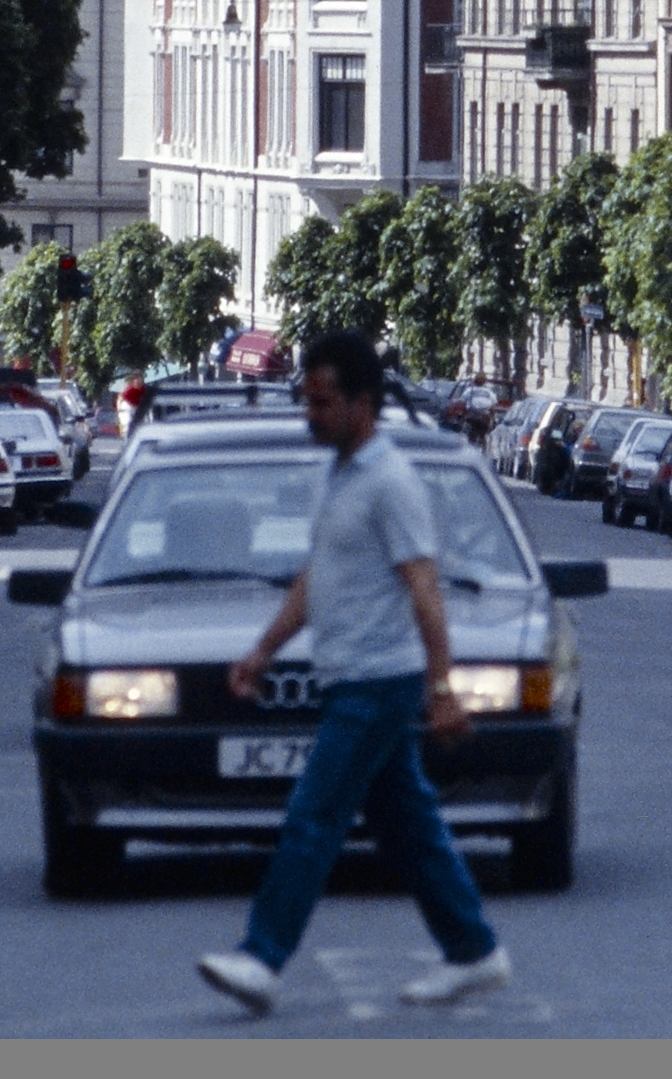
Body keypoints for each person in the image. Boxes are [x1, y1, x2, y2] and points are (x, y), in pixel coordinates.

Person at [196, 329, 511, 1019]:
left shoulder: (391, 481)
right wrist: (264, 650)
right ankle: (472, 949)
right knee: (408, 826)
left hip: (378, 680)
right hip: (349, 674)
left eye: (322, 401)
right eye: (306, 400)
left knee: (314, 815)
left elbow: (425, 588)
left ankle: (262, 957)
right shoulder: (337, 473)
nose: (310, 414)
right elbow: (318, 580)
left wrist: (441, 687)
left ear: (362, 403)